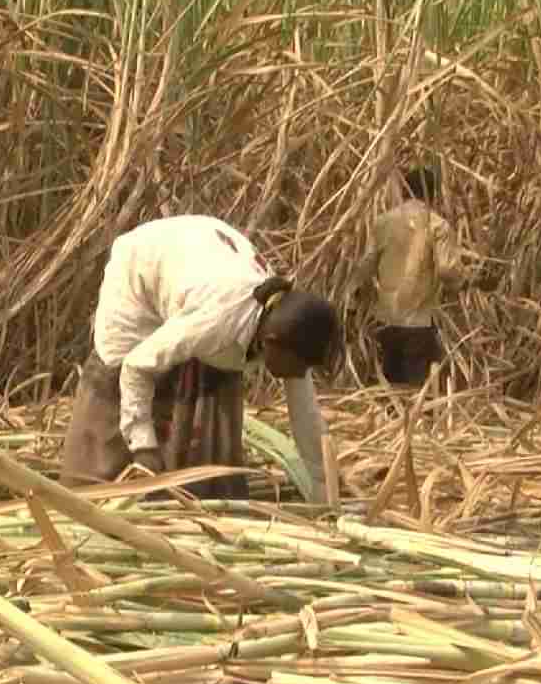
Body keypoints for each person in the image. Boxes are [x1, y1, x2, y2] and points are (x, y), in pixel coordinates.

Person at [60, 215, 341, 502]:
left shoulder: (287, 332)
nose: (299, 374)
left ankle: (198, 492)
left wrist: (325, 495)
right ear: (271, 343)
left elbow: (305, 417)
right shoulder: (218, 320)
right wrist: (143, 447)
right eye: (300, 367)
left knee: (214, 385)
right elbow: (136, 367)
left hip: (201, 259)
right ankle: (95, 495)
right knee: (117, 381)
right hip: (140, 270)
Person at [353, 167, 466, 387]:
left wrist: (356, 297)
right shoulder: (438, 225)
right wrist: (462, 282)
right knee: (416, 389)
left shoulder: (384, 222)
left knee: (390, 385)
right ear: (432, 194)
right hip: (418, 322)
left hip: (386, 318)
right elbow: (446, 269)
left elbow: (365, 266)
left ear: (404, 191)